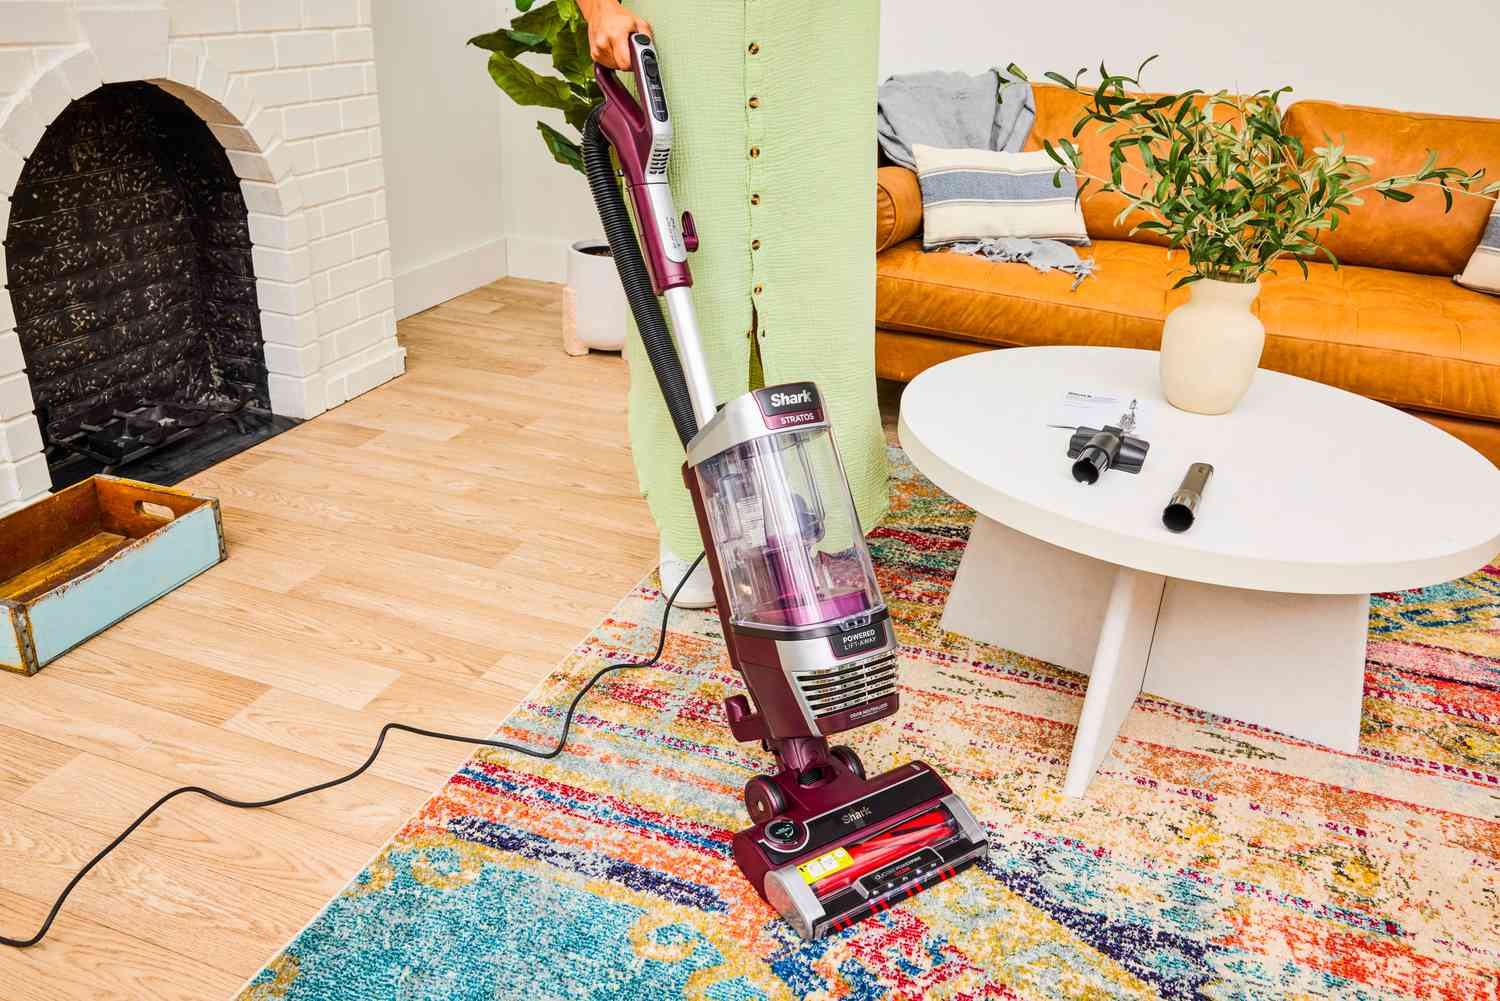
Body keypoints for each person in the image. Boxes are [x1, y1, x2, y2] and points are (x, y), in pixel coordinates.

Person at [578, 0, 888, 607]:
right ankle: (693, 530)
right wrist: (598, 8)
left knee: (815, 301)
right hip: (689, 47)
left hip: (815, 52)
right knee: (699, 296)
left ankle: (821, 528)